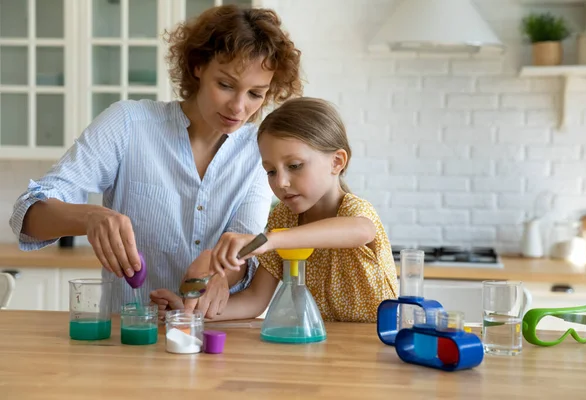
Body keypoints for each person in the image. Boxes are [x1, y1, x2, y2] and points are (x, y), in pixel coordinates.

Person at [8, 5, 303, 315]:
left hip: (209, 337)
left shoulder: (257, 152)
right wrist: (90, 217)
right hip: (126, 338)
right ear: (197, 66)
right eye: (226, 85)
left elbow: (246, 248)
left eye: (255, 94)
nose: (239, 107)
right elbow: (26, 215)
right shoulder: (128, 124)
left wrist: (220, 273)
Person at [151, 97, 399, 323]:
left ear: (336, 162)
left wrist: (271, 240)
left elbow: (361, 230)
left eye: (294, 165)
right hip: (323, 347)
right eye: (271, 171)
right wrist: (188, 313)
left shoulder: (353, 211)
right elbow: (255, 300)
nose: (280, 182)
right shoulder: (284, 218)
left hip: (375, 345)